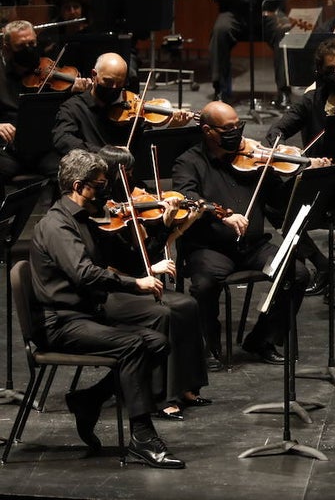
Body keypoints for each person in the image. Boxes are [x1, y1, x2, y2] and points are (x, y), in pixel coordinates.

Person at [27, 149, 184, 468]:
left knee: (157, 343)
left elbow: (127, 259)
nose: (106, 190)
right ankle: (142, 439)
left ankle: (89, 399)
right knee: (132, 346)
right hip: (61, 323)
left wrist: (159, 241)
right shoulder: (57, 225)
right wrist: (135, 285)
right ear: (77, 185)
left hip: (86, 314)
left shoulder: (89, 217)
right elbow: (83, 272)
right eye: (99, 185)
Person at [172, 101, 309, 368]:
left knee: (298, 273)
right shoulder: (189, 162)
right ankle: (208, 346)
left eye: (238, 126)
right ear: (208, 131)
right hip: (209, 248)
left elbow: (279, 201)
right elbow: (186, 197)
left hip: (253, 247)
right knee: (204, 284)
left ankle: (261, 339)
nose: (237, 133)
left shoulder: (254, 159)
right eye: (228, 129)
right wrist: (222, 214)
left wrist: (301, 177)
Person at [92, 145, 210, 421]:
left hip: (134, 282)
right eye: (127, 173)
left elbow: (146, 252)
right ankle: (160, 397)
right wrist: (155, 258)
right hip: (112, 289)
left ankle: (187, 388)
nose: (133, 180)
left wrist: (171, 225)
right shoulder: (101, 213)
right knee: (164, 312)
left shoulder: (132, 206)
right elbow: (130, 264)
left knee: (187, 304)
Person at [265, 37, 335, 305]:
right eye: (330, 69)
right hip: (317, 177)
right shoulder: (310, 101)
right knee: (275, 205)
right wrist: (294, 157)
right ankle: (322, 264)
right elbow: (276, 131)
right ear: (319, 71)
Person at [0, 20, 91, 188]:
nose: (29, 49)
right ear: (6, 48)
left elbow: (65, 113)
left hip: (43, 148)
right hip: (8, 149)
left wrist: (75, 92)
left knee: (72, 174)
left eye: (32, 43)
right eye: (21, 46)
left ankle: (61, 214)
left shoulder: (48, 71)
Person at [52, 52, 195, 156]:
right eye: (108, 82)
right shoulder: (73, 108)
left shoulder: (133, 111)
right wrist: (104, 153)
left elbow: (147, 149)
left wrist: (171, 128)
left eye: (120, 83)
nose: (114, 88)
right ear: (94, 75)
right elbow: (62, 140)